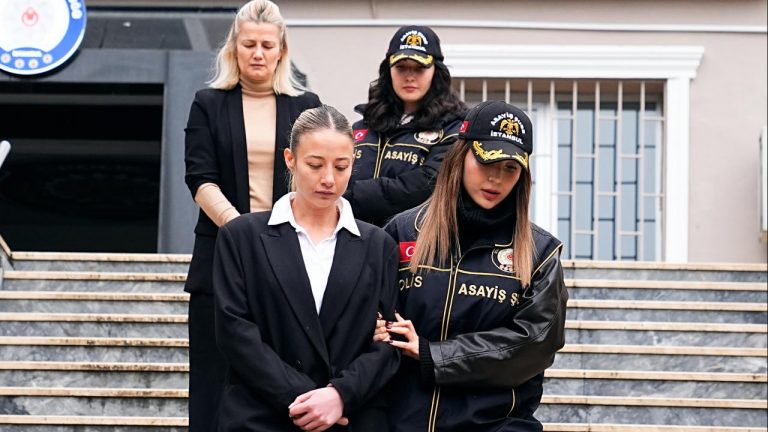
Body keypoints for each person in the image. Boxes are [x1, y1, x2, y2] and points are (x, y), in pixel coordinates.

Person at [376, 101, 569, 431]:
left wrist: (434, 355)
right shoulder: (401, 231)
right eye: (485, 160)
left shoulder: (541, 253)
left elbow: (534, 344)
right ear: (460, 155)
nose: (495, 178)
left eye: (510, 168)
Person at [212, 105, 400, 431]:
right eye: (315, 165)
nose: (328, 179)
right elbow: (235, 333)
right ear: (290, 159)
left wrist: (341, 394)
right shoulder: (241, 237)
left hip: (350, 417)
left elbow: (389, 343)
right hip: (261, 416)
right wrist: (309, 399)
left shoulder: (379, 245)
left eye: (341, 167)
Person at [183, 1, 321, 429]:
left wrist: (272, 235)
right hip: (220, 257)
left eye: (266, 45)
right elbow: (200, 179)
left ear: (281, 50)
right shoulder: (207, 103)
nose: (257, 53)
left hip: (290, 256)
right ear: (234, 48)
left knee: (287, 371)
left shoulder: (307, 106)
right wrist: (244, 231)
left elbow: (313, 178)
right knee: (212, 381)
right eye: (249, 45)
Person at [345, 25, 466, 226]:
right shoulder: (361, 127)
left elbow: (427, 184)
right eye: (401, 67)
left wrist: (351, 195)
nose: (409, 76)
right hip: (353, 237)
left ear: (436, 71)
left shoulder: (453, 128)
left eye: (419, 68)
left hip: (411, 239)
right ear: (388, 70)